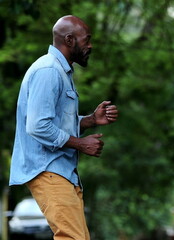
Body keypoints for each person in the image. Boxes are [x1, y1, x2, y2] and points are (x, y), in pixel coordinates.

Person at [9, 15, 118, 240]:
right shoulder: (48, 70)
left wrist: (89, 120)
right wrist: (81, 144)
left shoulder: (61, 71)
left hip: (62, 172)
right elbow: (38, 126)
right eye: (86, 40)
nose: (90, 46)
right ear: (69, 40)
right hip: (47, 170)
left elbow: (54, 122)